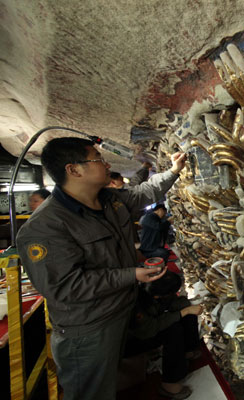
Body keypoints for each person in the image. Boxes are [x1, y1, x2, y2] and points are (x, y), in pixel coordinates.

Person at [16, 137, 187, 400]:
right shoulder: (44, 227)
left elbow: (143, 193)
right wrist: (131, 274)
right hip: (90, 328)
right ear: (74, 170)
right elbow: (65, 286)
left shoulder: (109, 200)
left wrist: (173, 171)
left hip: (126, 309)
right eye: (98, 159)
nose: (106, 164)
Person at [128, 271, 203, 399]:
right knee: (173, 331)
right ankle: (170, 385)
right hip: (133, 340)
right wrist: (184, 312)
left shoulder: (153, 290)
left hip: (150, 323)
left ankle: (188, 350)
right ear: (158, 296)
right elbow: (148, 330)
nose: (174, 295)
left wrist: (188, 306)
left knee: (188, 313)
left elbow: (171, 303)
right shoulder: (135, 303)